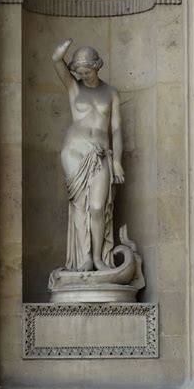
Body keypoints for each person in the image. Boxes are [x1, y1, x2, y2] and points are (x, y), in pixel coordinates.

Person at [51, 38, 125, 271]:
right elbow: (56, 61)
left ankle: (98, 258)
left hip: (101, 153)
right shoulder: (74, 88)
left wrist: (117, 161)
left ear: (96, 67)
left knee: (97, 207)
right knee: (81, 206)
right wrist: (61, 52)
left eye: (86, 71)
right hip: (74, 150)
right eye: (78, 71)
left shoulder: (111, 93)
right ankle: (85, 258)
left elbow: (116, 129)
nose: (82, 75)